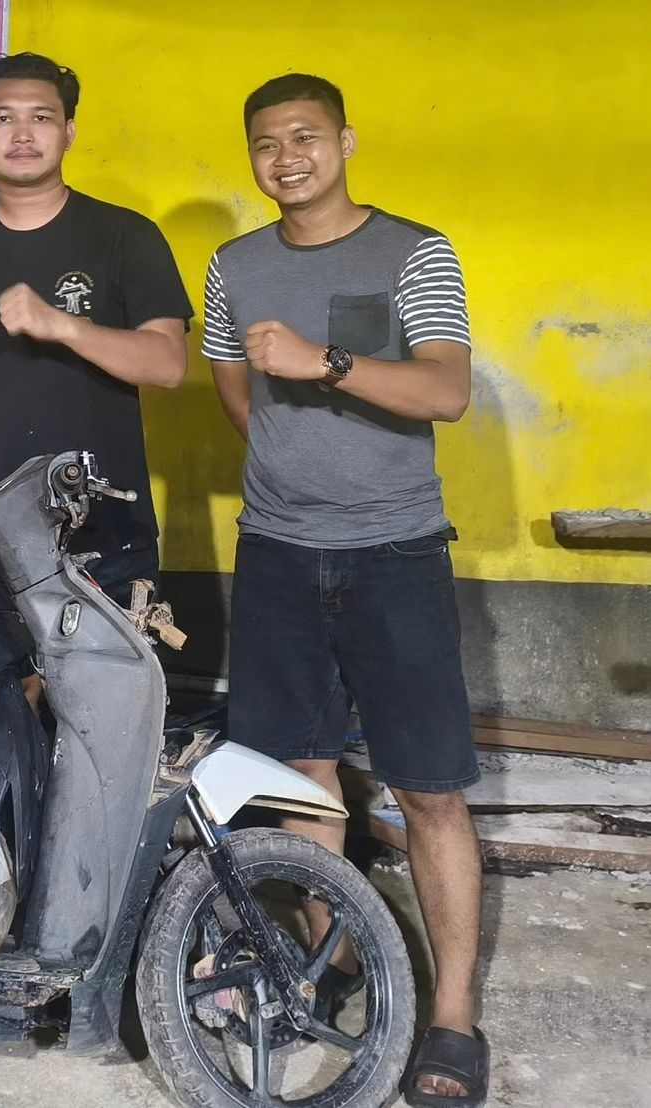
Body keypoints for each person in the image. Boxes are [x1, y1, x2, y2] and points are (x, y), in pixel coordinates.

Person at [203, 73, 487, 1107]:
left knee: (429, 791)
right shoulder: (233, 266)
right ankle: (334, 960)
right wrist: (295, 466)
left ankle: (452, 1016)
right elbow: (236, 389)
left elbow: (445, 390)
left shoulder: (415, 250)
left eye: (306, 137)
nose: (287, 158)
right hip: (277, 554)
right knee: (302, 776)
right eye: (267, 143)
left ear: (345, 142)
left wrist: (325, 362)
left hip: (395, 554)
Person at [0, 52, 192, 700]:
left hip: (103, 531)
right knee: (2, 710)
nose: (23, 133)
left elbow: (168, 364)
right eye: (3, 118)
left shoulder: (124, 236)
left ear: (69, 131)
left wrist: (64, 326)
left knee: (103, 719)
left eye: (41, 117)